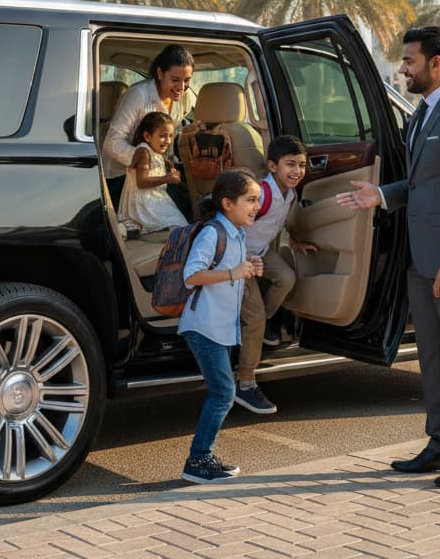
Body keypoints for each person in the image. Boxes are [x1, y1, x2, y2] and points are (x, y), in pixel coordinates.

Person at [336, 26, 440, 488]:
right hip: (420, 259)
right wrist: (381, 196)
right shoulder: (423, 114)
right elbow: (424, 185)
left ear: (435, 63)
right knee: (431, 356)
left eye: (409, 61)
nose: (402, 69)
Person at [178, 168, 264, 483]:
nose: (257, 206)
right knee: (224, 392)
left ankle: (203, 458)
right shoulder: (214, 233)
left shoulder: (237, 234)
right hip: (203, 325)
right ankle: (198, 462)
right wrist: (233, 273)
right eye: (251, 200)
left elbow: (232, 271)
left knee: (222, 392)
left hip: (218, 327)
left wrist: (249, 268)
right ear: (228, 203)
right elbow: (191, 275)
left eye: (258, 200)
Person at [234, 135, 316, 415]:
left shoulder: (291, 195)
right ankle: (245, 383)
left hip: (261, 252)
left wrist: (294, 242)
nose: (297, 171)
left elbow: (280, 224)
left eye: (302, 165)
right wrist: (235, 260)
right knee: (253, 315)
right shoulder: (262, 194)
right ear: (272, 166)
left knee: (287, 278)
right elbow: (235, 223)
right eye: (290, 164)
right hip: (238, 255)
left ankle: (265, 324)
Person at [102, 44, 195, 206]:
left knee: (188, 203)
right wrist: (145, 162)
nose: (181, 87)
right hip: (123, 178)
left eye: (187, 80)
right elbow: (112, 142)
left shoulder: (183, 98)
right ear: (160, 73)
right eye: (175, 80)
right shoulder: (138, 95)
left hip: (159, 175)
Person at [117, 112, 187, 236]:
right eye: (163, 136)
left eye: (171, 136)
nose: (168, 141)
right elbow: (141, 181)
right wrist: (166, 178)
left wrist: (170, 169)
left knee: (180, 223)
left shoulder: (153, 151)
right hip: (144, 201)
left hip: (154, 196)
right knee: (179, 225)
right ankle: (134, 226)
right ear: (147, 136)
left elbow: (159, 163)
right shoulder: (143, 152)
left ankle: (136, 228)